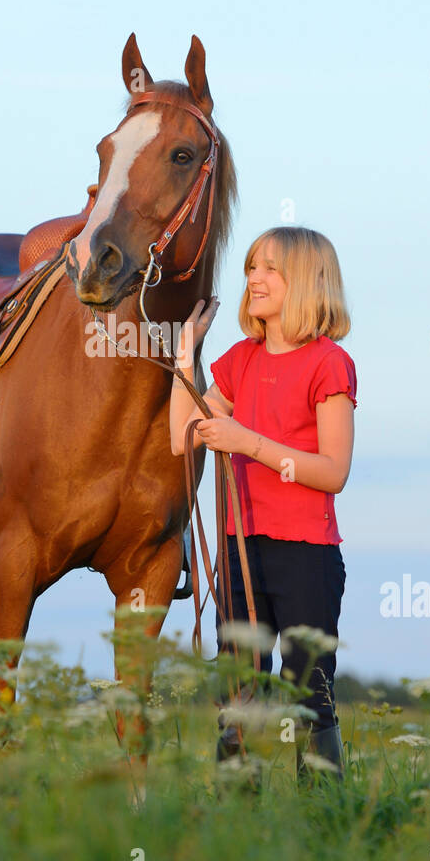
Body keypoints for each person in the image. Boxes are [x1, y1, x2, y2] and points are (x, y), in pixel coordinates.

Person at [169, 226, 356, 784]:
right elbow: (182, 437)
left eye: (270, 268)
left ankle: (324, 818)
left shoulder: (330, 363)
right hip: (239, 550)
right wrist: (186, 357)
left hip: (306, 555)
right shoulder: (238, 361)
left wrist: (248, 441)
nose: (254, 278)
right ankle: (237, 823)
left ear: (307, 280)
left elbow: (333, 471)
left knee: (307, 698)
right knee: (239, 698)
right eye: (251, 267)